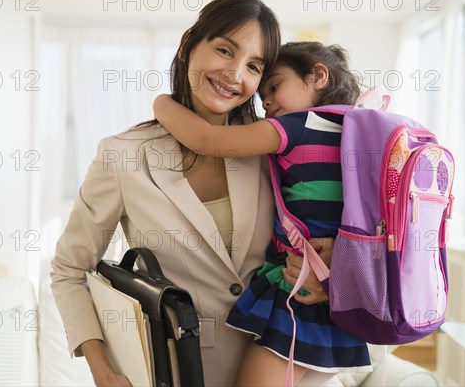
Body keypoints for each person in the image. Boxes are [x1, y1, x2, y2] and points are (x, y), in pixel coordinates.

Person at [50, 0, 284, 386]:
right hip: (176, 370)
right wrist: (102, 369)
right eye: (225, 51)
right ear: (188, 44)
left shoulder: (272, 153)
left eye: (254, 66)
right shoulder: (124, 155)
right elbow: (69, 270)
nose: (236, 75)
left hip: (274, 365)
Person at [152, 41, 373, 386]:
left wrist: (160, 102)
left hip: (299, 296)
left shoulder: (297, 127)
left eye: (275, 86)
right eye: (262, 95)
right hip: (337, 295)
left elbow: (208, 140)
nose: (266, 101)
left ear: (317, 76)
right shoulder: (357, 130)